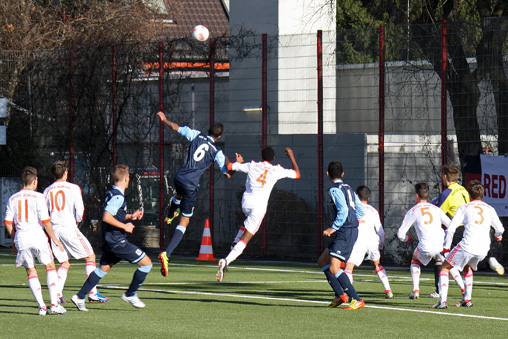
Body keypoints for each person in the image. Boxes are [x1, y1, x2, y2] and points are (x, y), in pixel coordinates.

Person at [156, 111, 232, 277]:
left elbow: (176, 128)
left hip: (180, 176)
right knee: (185, 220)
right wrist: (235, 164)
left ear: (208, 131)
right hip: (191, 185)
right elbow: (227, 173)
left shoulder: (197, 135)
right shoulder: (217, 151)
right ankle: (166, 254)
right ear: (219, 137)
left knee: (179, 195)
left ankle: (170, 214)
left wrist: (164, 120)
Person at [71, 164, 152, 311]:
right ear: (126, 178)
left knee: (102, 269)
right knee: (147, 264)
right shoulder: (118, 196)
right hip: (117, 241)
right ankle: (130, 294)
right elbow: (107, 217)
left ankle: (80, 296)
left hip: (110, 240)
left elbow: (115, 214)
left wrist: (130, 216)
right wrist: (125, 226)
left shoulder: (112, 193)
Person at [216, 146, 301, 282]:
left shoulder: (252, 165)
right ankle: (227, 260)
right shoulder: (276, 170)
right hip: (258, 207)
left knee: (245, 227)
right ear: (273, 158)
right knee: (245, 240)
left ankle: (233, 246)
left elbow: (230, 166)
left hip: (246, 203)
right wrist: (291, 155)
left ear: (262, 157)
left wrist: (234, 160)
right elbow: (297, 174)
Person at [43, 160, 109, 304]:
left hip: (54, 230)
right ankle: (93, 293)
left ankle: (58, 293)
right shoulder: (73, 188)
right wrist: (77, 222)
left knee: (65, 262)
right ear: (65, 172)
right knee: (90, 257)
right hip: (68, 227)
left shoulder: (47, 191)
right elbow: (80, 212)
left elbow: (44, 214)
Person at [4, 166, 67, 315]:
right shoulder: (39, 197)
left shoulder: (12, 198)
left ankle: (41, 307)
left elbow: (8, 222)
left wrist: (14, 241)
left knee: (31, 271)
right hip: (37, 236)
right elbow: (45, 221)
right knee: (50, 266)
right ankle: (54, 305)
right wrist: (55, 239)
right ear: (34, 181)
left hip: (22, 237)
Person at [432, 180, 504, 309]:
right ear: (482, 195)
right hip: (483, 249)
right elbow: (500, 229)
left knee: (444, 267)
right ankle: (467, 299)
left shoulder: (464, 207)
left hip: (468, 245)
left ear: (469, 195)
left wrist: (446, 247)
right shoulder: (490, 209)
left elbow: (451, 229)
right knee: (467, 267)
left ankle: (442, 301)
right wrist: (498, 235)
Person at [397, 183, 464, 300]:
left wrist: (407, 239)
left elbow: (400, 234)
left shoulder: (413, 211)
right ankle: (463, 289)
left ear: (416, 195)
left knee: (415, 260)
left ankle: (416, 290)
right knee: (448, 264)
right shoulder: (436, 209)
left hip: (425, 246)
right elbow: (450, 224)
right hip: (441, 244)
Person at [437, 165, 504, 277]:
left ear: (444, 176)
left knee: (443, 261)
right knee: (466, 265)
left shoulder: (447, 193)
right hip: (472, 227)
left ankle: (439, 291)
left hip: (458, 228)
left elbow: (438, 213)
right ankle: (490, 259)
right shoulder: (462, 189)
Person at [317, 161, 365, 310]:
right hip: (348, 229)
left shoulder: (334, 189)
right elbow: (360, 211)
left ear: (327, 174)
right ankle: (341, 295)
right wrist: (351, 222)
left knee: (334, 267)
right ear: (342, 174)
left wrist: (334, 227)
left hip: (345, 230)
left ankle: (356, 299)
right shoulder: (349, 188)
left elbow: (343, 210)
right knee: (322, 260)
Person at [344, 186, 393, 299]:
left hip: (358, 241)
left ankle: (348, 293)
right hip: (372, 241)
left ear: (356, 196)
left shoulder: (352, 209)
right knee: (377, 265)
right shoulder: (373, 211)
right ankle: (388, 290)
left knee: (349, 266)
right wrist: (380, 244)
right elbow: (380, 231)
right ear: (369, 197)